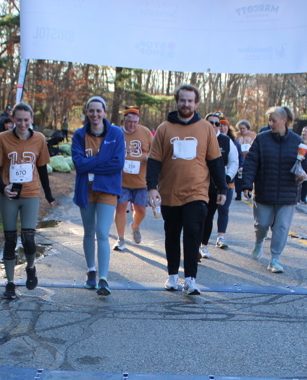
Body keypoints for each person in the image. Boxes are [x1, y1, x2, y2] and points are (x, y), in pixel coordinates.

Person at [146, 83, 226, 295]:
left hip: (196, 192)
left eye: (190, 101)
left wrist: (222, 188)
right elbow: (154, 161)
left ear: (196, 103)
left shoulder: (205, 128)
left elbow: (215, 161)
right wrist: (151, 187)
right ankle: (173, 274)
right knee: (172, 234)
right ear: (177, 102)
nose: (186, 104)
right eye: (183, 100)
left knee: (192, 231)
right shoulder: (164, 129)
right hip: (170, 192)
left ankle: (190, 279)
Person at [0, 102, 55, 300]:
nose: (23, 124)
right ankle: (10, 283)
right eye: (19, 120)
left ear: (31, 119)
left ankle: (31, 267)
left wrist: (48, 194)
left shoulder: (39, 139)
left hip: (31, 193)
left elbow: (42, 168)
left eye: (26, 120)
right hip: (10, 195)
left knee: (28, 239)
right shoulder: (2, 138)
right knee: (10, 240)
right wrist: (3, 187)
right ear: (13, 120)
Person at [239, 106, 305, 274]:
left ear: (284, 120)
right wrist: (247, 184)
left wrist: (303, 170)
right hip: (264, 191)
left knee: (281, 227)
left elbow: (305, 165)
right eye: (269, 120)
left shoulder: (297, 141)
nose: (270, 124)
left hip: (288, 193)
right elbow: (251, 162)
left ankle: (275, 259)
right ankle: (259, 242)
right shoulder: (262, 139)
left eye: (273, 121)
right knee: (262, 224)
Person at [72, 97, 126, 296]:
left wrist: (91, 163)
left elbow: (118, 163)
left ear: (104, 112)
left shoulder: (116, 133)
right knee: (89, 231)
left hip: (107, 189)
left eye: (98, 110)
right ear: (87, 112)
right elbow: (79, 164)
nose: (95, 114)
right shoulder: (79, 135)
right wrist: (103, 159)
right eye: (91, 111)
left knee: (102, 232)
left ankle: (103, 278)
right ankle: (91, 271)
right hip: (85, 189)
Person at [200, 113, 240, 256]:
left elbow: (234, 161)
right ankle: (194, 244)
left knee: (208, 215)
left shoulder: (226, 141)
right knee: (196, 215)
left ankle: (203, 245)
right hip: (198, 184)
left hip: (216, 186)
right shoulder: (198, 137)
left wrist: (226, 178)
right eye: (211, 122)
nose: (214, 126)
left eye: (217, 123)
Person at [114, 106, 151, 250]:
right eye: (129, 122)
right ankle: (120, 239)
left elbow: (155, 151)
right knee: (120, 208)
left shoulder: (145, 132)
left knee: (141, 211)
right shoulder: (117, 133)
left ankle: (135, 226)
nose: (132, 125)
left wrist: (148, 158)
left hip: (140, 181)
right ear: (124, 120)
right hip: (121, 180)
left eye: (135, 122)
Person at [236, 120, 256, 200]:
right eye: (240, 128)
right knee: (239, 177)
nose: (242, 130)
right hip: (239, 158)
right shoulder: (237, 135)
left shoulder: (253, 135)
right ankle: (238, 194)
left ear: (247, 128)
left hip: (249, 158)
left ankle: (249, 191)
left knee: (248, 176)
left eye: (243, 128)